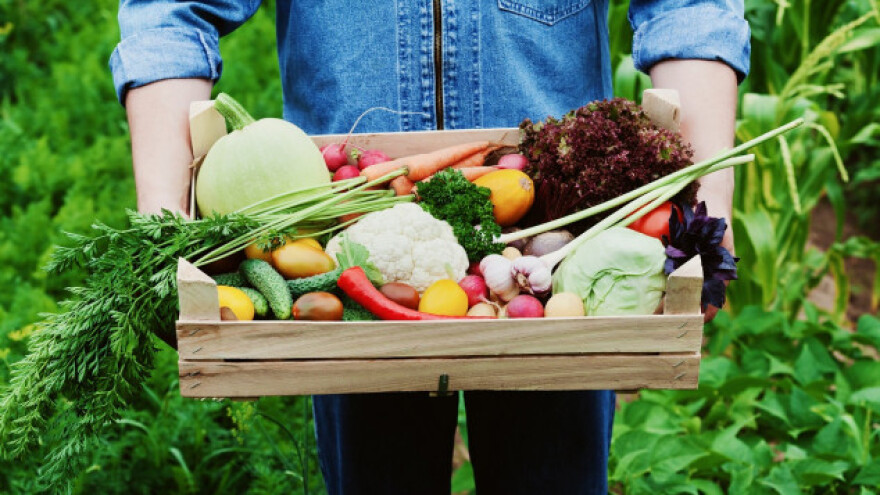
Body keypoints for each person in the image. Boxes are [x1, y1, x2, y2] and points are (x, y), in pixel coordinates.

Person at [111, 1, 749, 493]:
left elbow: (689, 9)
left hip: (564, 241)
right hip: (345, 245)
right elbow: (170, 11)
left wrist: (706, 215)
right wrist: (166, 223)